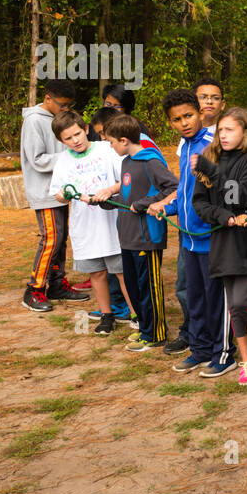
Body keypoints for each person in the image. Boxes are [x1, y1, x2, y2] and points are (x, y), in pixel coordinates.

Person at [190, 107, 247, 387]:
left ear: (246, 132)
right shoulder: (209, 157)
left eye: (230, 129)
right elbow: (199, 202)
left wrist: (211, 172)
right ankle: (245, 362)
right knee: (233, 305)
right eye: (220, 130)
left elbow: (240, 196)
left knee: (241, 300)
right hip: (223, 238)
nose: (223, 135)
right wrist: (223, 217)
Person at [151, 89, 236, 378]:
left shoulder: (213, 144)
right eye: (177, 119)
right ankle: (199, 349)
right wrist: (169, 207)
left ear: (200, 113)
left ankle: (222, 353)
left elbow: (224, 188)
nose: (184, 123)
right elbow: (187, 191)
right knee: (195, 298)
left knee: (216, 299)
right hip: (188, 239)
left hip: (212, 236)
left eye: (188, 115)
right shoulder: (185, 147)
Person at [93, 114, 177, 351]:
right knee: (133, 286)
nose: (110, 146)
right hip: (127, 236)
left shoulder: (150, 161)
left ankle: (156, 334)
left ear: (123, 140)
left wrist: (144, 204)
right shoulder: (126, 162)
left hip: (147, 237)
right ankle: (144, 329)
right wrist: (106, 200)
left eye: (111, 142)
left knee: (148, 287)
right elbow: (128, 196)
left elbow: (173, 187)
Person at [47, 111, 132, 336]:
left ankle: (136, 315)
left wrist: (109, 191)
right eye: (68, 138)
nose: (75, 141)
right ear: (60, 141)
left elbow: (124, 178)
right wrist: (65, 193)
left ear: (86, 129)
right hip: (84, 226)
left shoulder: (105, 149)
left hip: (111, 221)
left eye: (77, 134)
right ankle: (107, 315)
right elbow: (58, 194)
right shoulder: (63, 161)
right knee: (97, 273)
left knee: (122, 272)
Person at [19, 78, 89, 312]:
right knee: (51, 238)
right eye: (62, 105)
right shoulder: (33, 121)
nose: (66, 110)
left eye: (69, 106)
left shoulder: (55, 118)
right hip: (44, 191)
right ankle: (34, 290)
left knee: (61, 238)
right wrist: (70, 154)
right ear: (48, 98)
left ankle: (57, 284)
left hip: (61, 191)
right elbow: (37, 159)